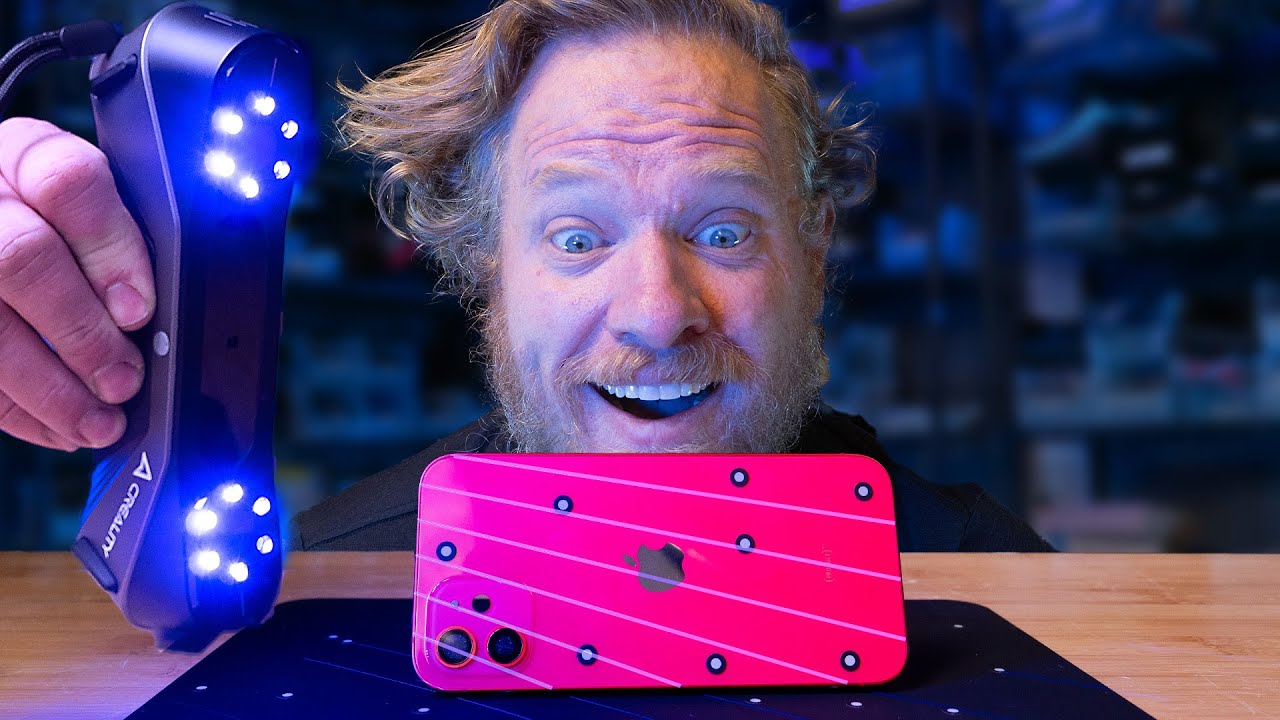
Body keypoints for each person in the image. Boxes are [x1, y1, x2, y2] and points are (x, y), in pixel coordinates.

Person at [0, 0, 1052, 553]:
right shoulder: (330, 584)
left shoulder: (990, 584)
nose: (657, 316)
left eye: (724, 230)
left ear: (811, 249)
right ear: (483, 264)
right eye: (577, 239)